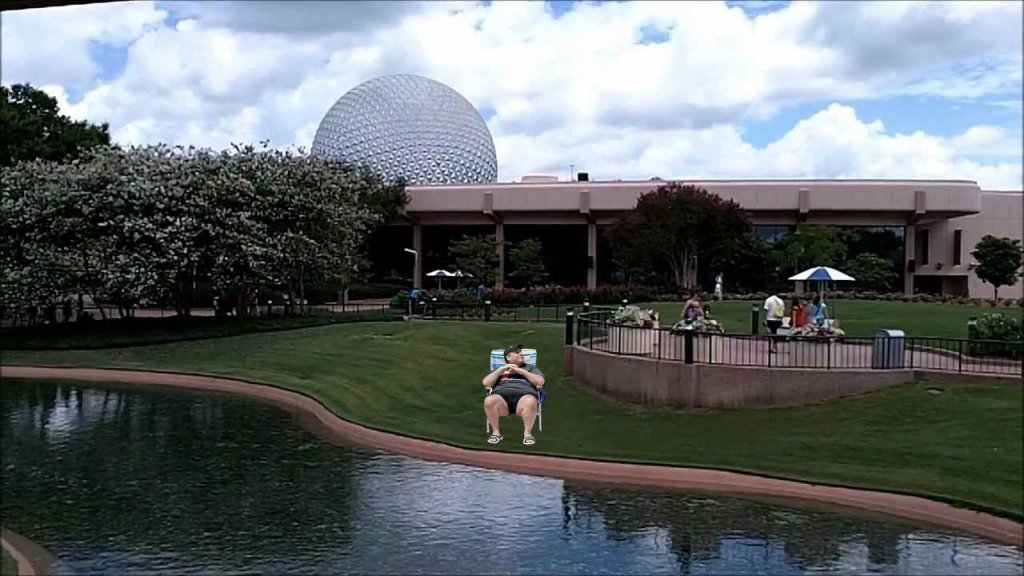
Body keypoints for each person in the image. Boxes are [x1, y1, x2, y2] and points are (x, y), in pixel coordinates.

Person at [482, 344, 545, 446]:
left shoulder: (530, 368)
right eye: (517, 352)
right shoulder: (499, 370)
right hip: (501, 400)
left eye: (521, 352)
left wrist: (520, 371)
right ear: (508, 357)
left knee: (530, 401)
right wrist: (501, 370)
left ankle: (527, 434)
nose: (521, 354)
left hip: (524, 398)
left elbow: (540, 382)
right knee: (489, 400)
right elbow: (486, 383)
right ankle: (496, 433)